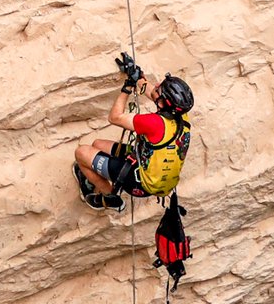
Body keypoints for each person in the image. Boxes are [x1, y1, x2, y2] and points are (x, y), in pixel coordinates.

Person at [74, 53, 195, 211]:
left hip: (140, 183)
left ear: (162, 103)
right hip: (154, 171)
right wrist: (136, 75)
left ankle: (111, 199)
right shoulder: (180, 115)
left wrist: (127, 88)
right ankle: (101, 171)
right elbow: (153, 93)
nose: (156, 84)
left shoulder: (154, 123)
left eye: (160, 88)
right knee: (98, 144)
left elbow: (114, 117)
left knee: (81, 153)